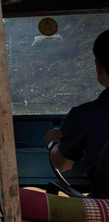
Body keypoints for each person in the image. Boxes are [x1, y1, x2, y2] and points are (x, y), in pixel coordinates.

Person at [45, 30, 109, 185]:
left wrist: (53, 143)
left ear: (98, 67)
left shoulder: (85, 115)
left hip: (104, 207)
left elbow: (62, 164)